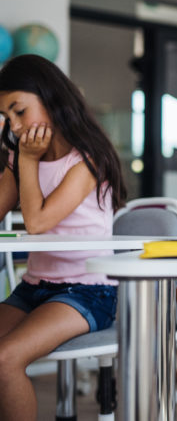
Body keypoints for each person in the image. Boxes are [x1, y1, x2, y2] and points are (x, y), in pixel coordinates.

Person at [0, 54, 127, 420]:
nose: (14, 124)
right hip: (35, 287)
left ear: (51, 98)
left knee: (6, 359)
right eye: (6, 117)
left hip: (88, 291)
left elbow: (36, 223)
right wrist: (15, 159)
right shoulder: (19, 156)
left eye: (19, 111)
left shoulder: (86, 161)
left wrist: (27, 161)